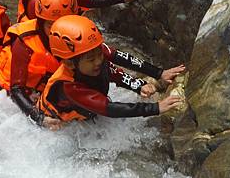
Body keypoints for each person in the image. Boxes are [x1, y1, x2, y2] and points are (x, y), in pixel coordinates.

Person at [37, 15, 185, 127]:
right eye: (90, 59)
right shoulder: (70, 87)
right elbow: (109, 109)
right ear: (69, 63)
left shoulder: (93, 50)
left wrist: (158, 74)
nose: (98, 61)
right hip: (59, 122)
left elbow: (124, 59)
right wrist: (155, 108)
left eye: (99, 54)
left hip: (86, 108)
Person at [0, 0, 78, 128]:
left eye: (63, 23)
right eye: (51, 25)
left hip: (39, 89)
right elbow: (16, 90)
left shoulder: (78, 34)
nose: (58, 32)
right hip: (6, 93)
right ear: (41, 22)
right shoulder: (24, 41)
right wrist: (39, 117)